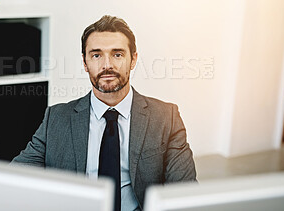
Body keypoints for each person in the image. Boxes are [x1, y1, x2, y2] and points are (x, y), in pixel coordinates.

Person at [12, 15, 197, 210]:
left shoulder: (166, 117)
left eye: (117, 54)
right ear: (85, 62)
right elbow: (16, 179)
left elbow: (184, 192)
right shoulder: (56, 119)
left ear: (133, 59)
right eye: (96, 55)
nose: (107, 65)